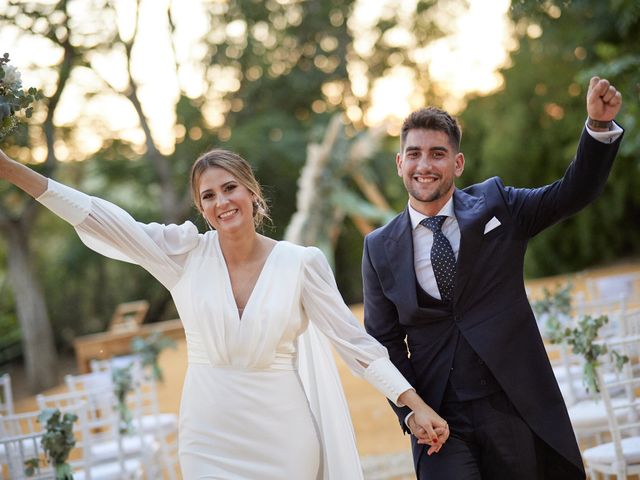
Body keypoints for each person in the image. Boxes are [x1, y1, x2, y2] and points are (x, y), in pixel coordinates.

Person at [0, 147, 449, 479]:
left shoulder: (301, 263)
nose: (222, 201)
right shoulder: (182, 255)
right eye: (209, 195)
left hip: (282, 436)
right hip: (208, 436)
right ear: (201, 208)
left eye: (230, 188)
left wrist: (413, 405)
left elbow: (356, 345)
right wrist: (10, 169)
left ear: (252, 192)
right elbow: (103, 219)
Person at [362, 76, 623, 480]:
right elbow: (384, 343)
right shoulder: (378, 247)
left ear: (458, 163)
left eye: (437, 153)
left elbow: (571, 192)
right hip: (438, 420)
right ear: (400, 163)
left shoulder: (498, 206)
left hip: (512, 407)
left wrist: (598, 128)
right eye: (413, 154)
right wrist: (412, 410)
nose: (424, 165)